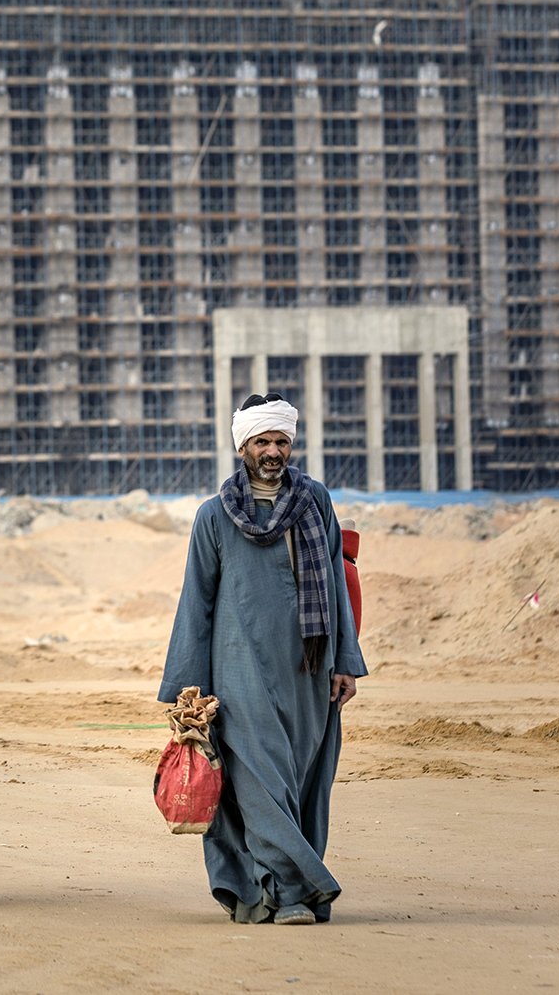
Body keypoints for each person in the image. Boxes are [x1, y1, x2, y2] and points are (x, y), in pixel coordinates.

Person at [158, 392, 368, 925]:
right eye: (262, 441)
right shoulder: (214, 516)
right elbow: (195, 602)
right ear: (243, 447)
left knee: (301, 782)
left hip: (309, 672)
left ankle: (271, 891)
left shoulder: (316, 502)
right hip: (238, 675)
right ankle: (296, 892)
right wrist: (188, 687)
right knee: (258, 783)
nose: (272, 451)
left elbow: (338, 587)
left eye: (280, 441)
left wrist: (345, 660)